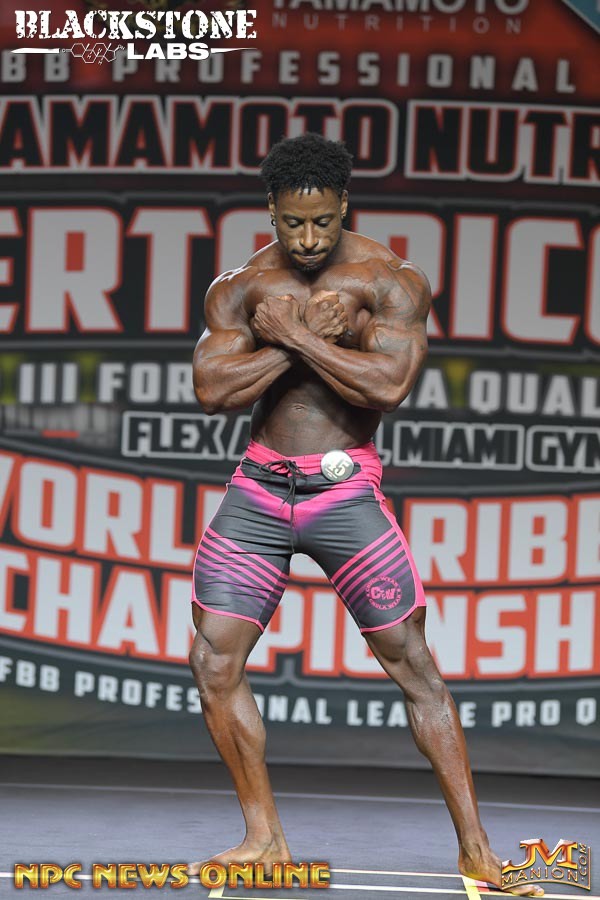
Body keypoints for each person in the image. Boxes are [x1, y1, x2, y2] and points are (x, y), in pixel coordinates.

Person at [187, 133, 542, 898]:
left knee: (413, 665)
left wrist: (291, 337)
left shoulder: (390, 280)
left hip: (343, 492)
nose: (309, 239)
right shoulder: (241, 286)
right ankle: (263, 837)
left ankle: (477, 851)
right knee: (213, 662)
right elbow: (213, 391)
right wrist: (299, 341)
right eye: (293, 223)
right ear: (271, 212)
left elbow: (386, 386)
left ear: (344, 204)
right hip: (259, 492)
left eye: (322, 221)